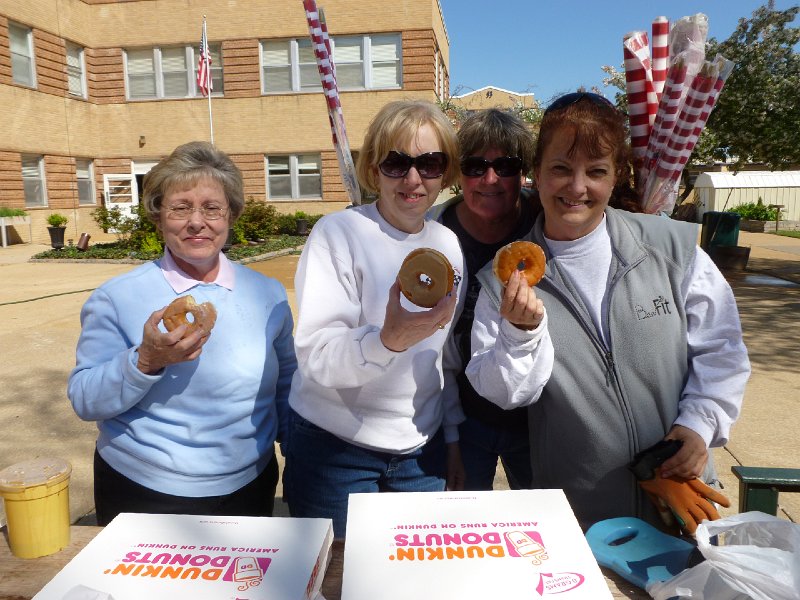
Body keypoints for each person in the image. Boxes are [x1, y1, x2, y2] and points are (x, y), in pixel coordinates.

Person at [466, 92, 751, 531]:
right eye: (560, 169)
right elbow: (505, 393)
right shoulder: (502, 279)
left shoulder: (670, 248)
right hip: (580, 523)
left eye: (595, 172)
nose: (577, 187)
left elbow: (722, 351)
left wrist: (699, 424)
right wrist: (520, 334)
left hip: (682, 495)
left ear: (616, 176)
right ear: (536, 176)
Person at [68, 141, 297, 525]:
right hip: (144, 488)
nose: (197, 221)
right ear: (158, 217)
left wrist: (297, 451)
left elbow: (287, 381)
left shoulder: (266, 293)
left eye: (212, 208)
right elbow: (84, 399)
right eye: (180, 207)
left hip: (249, 486)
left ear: (231, 216)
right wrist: (146, 360)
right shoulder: (117, 297)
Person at [283, 99, 465, 538]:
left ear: (447, 171)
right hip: (334, 449)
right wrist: (388, 340)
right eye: (396, 163)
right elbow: (319, 358)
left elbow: (443, 358)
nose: (414, 179)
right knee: (337, 580)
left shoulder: (448, 244)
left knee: (413, 581)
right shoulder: (338, 234)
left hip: (422, 451)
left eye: (430, 163)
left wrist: (453, 437)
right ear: (374, 169)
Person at [428, 109, 542, 490]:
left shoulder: (548, 225)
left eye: (505, 166)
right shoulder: (432, 236)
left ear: (523, 173)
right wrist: (450, 435)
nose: (489, 180)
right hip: (464, 419)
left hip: (542, 419)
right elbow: (432, 351)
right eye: (475, 166)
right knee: (463, 525)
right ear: (458, 174)